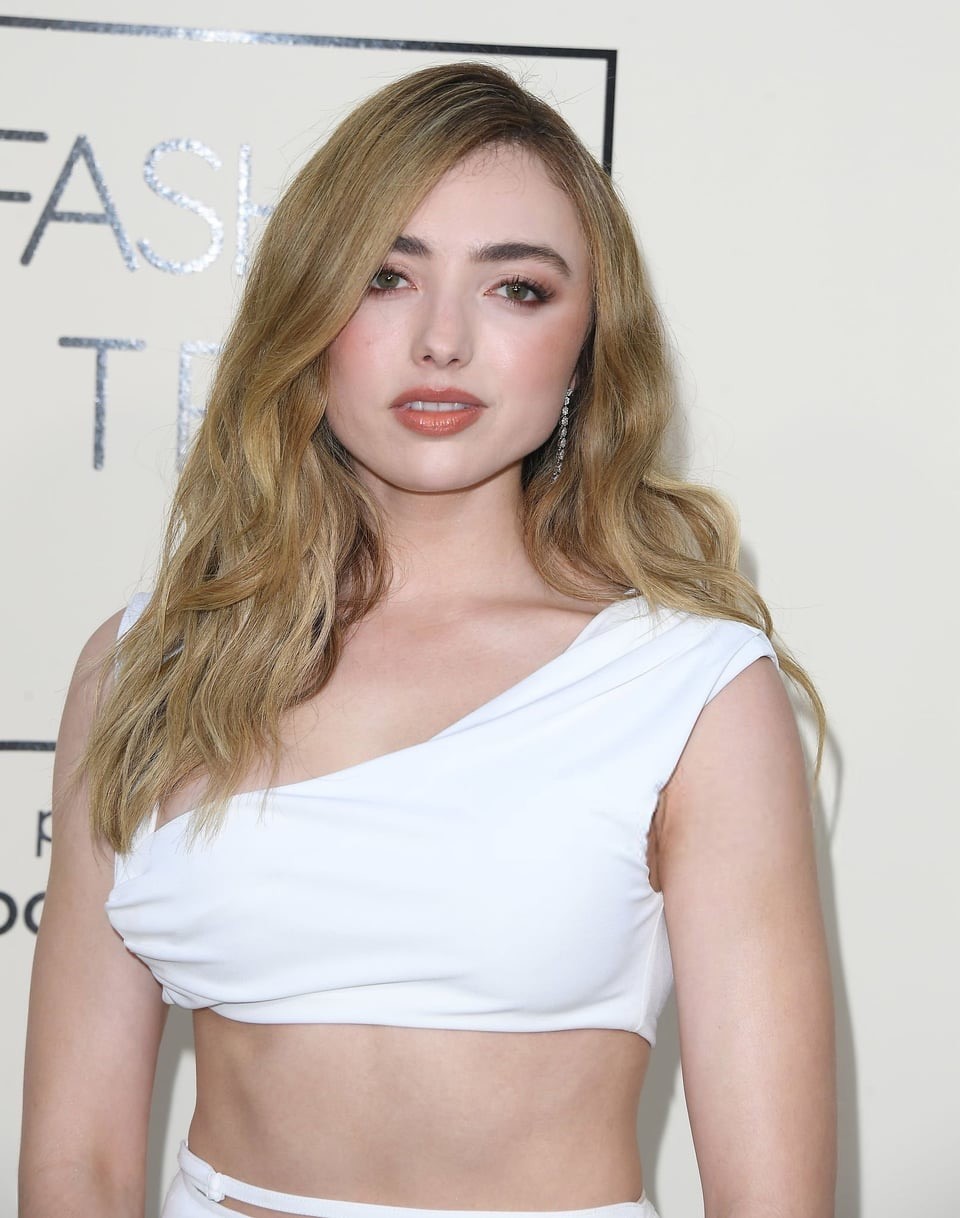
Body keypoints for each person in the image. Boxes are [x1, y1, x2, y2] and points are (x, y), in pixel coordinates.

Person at [19, 61, 836, 1218]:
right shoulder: (146, 665)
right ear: (310, 309)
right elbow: (78, 1166)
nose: (442, 340)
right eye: (387, 277)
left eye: (517, 289)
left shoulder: (689, 690)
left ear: (587, 343)